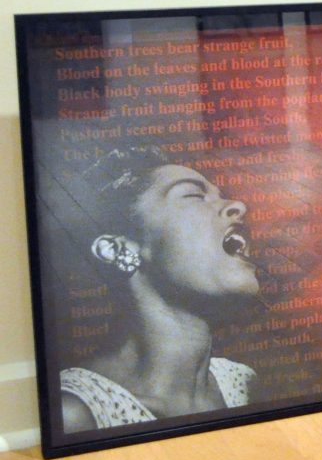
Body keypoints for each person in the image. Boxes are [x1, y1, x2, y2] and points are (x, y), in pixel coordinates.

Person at [59, 146, 259, 431]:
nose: (238, 205)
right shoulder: (75, 415)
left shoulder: (242, 383)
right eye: (193, 195)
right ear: (118, 248)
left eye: (221, 196)